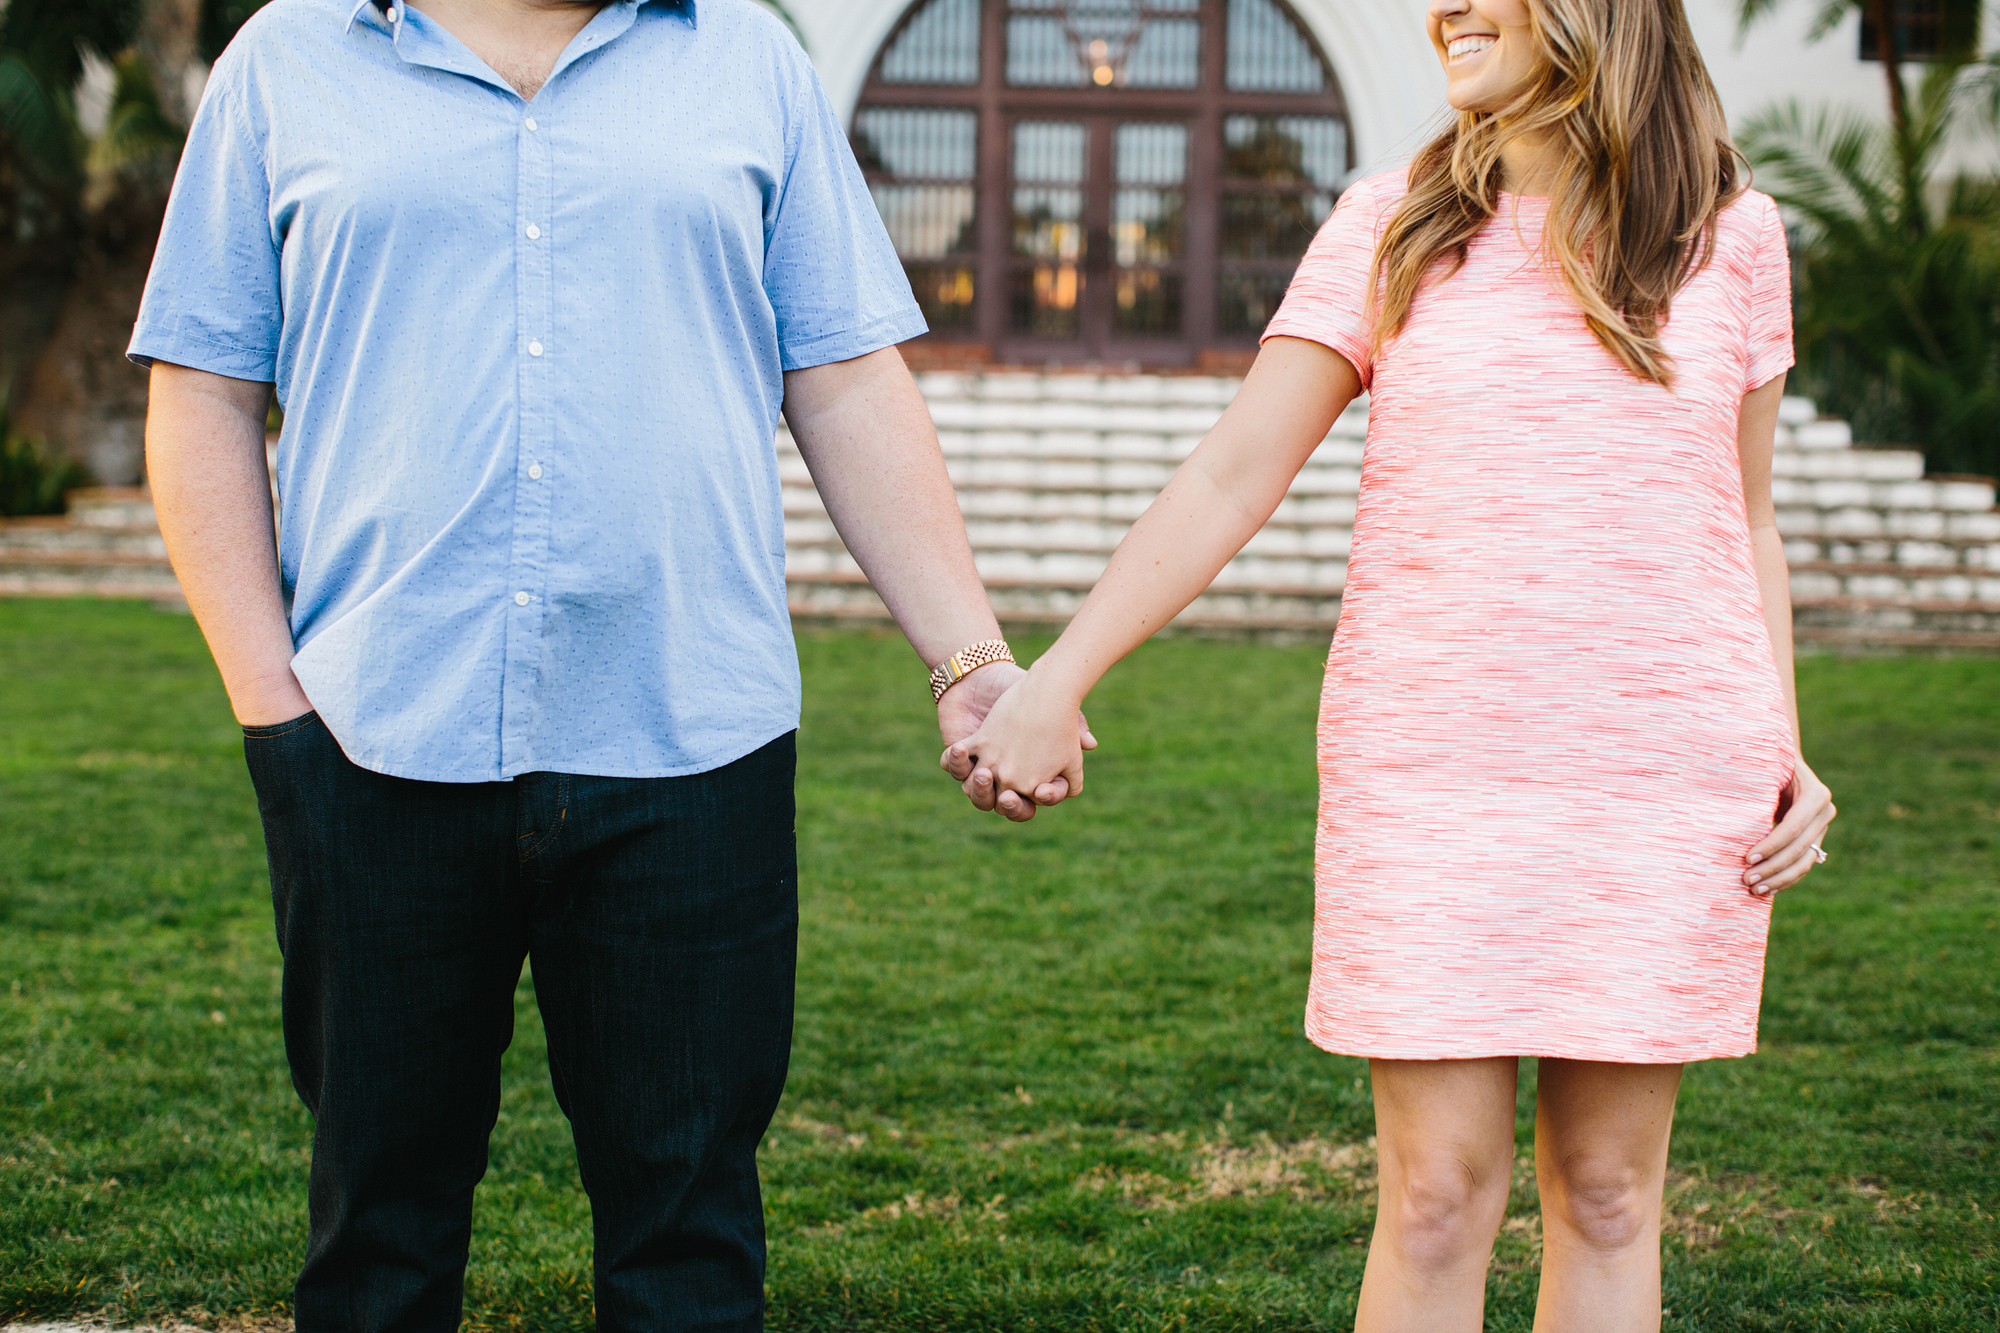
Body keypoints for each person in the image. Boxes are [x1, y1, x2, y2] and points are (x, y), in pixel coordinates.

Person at [131, 0, 1081, 1328]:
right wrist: (268, 702)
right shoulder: (284, 63)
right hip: (370, 740)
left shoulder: (750, 60)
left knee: (688, 1236)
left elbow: (849, 378)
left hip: (694, 749)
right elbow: (204, 386)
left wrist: (967, 655)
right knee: (378, 1239)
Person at [944, 0, 1837, 1326]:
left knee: (1605, 1190)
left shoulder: (1732, 238)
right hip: (1433, 775)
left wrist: (1785, 740)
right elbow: (1235, 473)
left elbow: (1744, 514)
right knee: (1435, 1194)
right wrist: (1055, 676)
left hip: (1663, 783)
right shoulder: (1393, 221)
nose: (1446, 9)